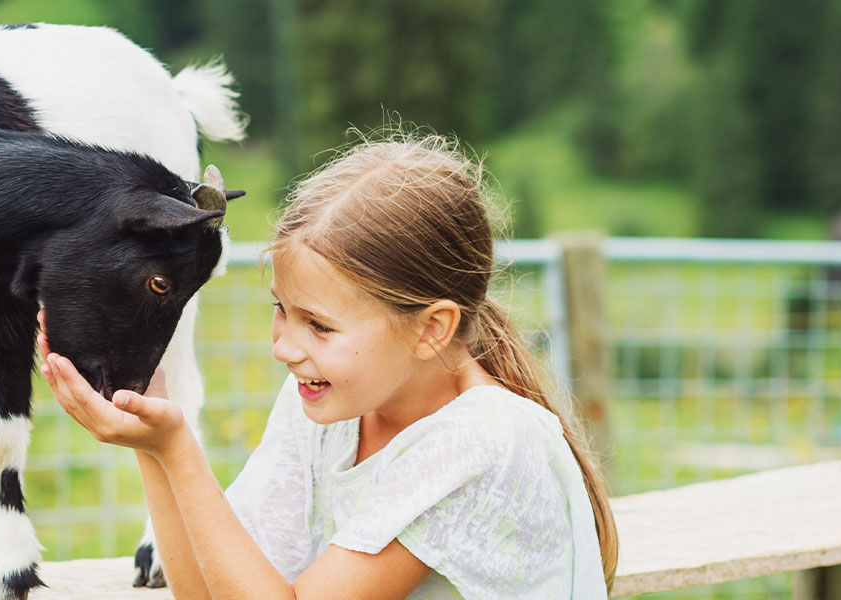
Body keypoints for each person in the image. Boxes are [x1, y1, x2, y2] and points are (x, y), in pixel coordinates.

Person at [40, 133, 618, 598]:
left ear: (431, 328)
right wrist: (152, 437)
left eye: (319, 325)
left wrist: (178, 452)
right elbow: (207, 594)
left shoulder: (483, 441)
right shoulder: (328, 402)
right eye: (281, 311)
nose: (286, 348)